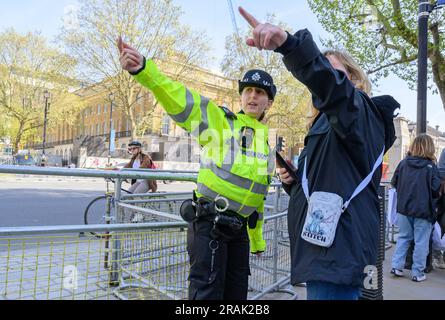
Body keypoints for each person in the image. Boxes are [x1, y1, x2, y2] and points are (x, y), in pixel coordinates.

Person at [238, 7, 400, 299]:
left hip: (337, 250)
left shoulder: (359, 108)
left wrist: (290, 45)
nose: (323, 79)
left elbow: (333, 90)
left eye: (333, 72)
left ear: (353, 79)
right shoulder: (328, 123)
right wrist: (293, 182)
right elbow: (331, 184)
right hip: (328, 247)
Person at [118, 37, 276, 300]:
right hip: (210, 224)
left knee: (237, 295)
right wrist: (144, 70)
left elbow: (258, 199)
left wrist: (257, 240)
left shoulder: (268, 147)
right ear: (241, 96)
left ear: (268, 103)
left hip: (239, 235)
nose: (252, 95)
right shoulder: (223, 124)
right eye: (247, 90)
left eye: (260, 92)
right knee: (206, 295)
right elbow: (182, 100)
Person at [390, 134, 441, 282]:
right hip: (423, 211)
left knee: (403, 238)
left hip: (404, 209)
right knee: (421, 242)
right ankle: (417, 272)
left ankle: (396, 266)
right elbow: (435, 189)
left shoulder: (403, 163)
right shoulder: (431, 167)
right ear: (430, 148)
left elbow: (394, 183)